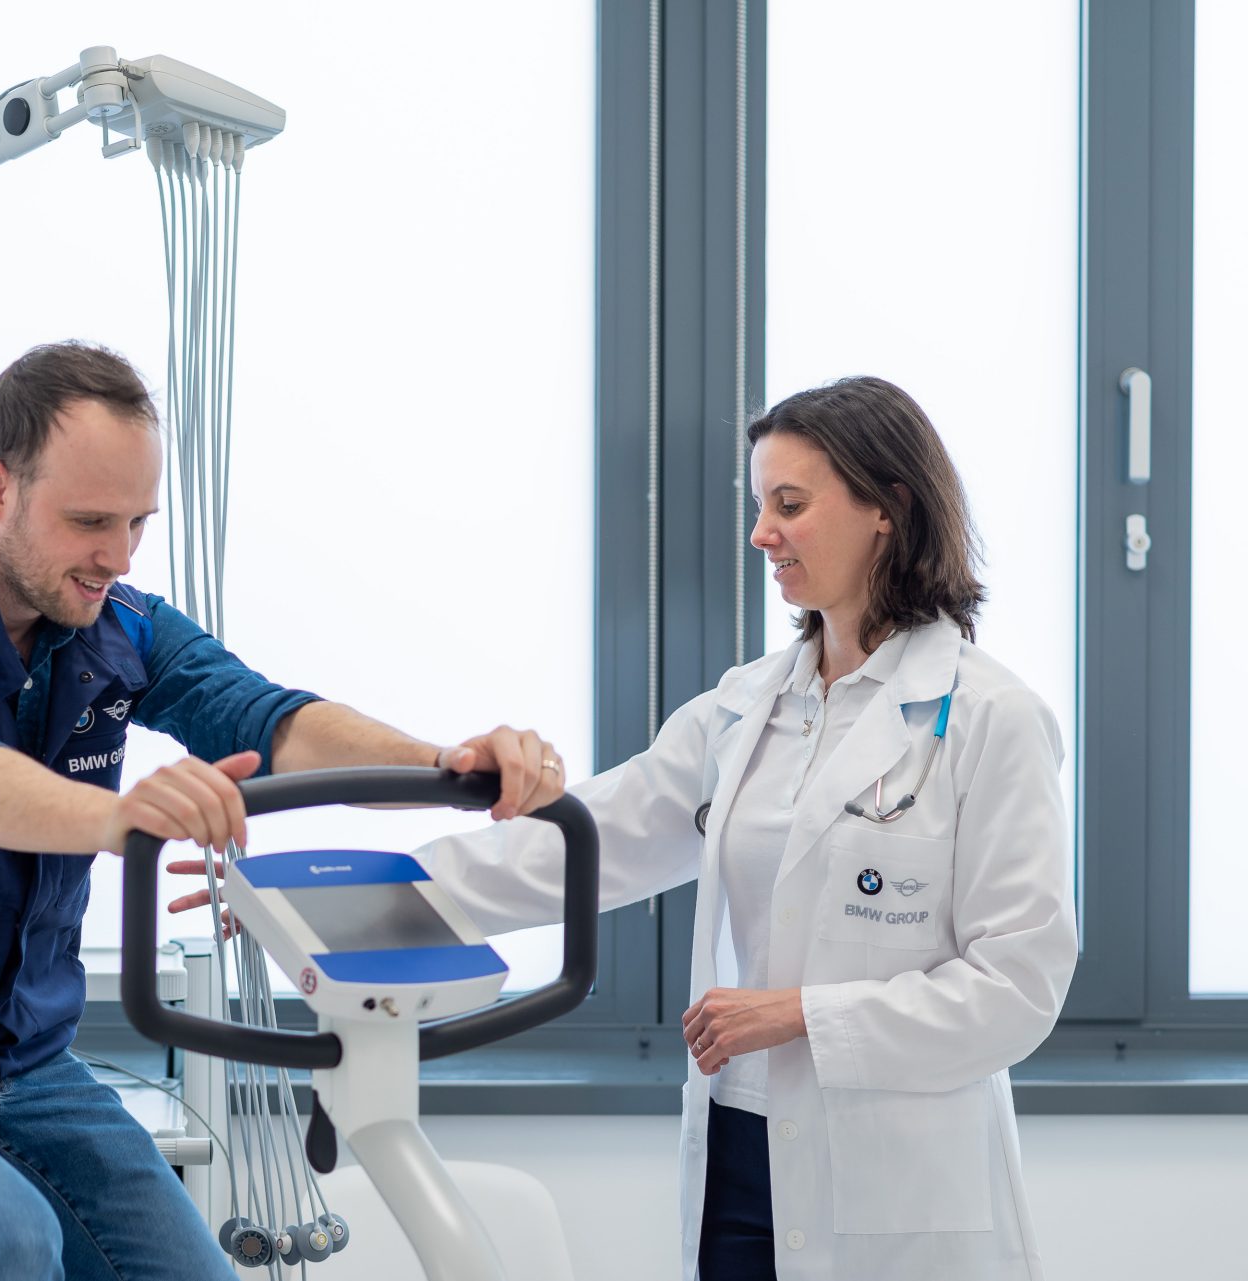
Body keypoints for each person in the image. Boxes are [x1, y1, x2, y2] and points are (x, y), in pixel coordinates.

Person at [0, 340, 567, 1281]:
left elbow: (270, 717)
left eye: (136, 523)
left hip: (18, 1059)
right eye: (88, 522)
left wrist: (444, 760)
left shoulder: (117, 623)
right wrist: (115, 818)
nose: (115, 557)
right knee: (2, 1238)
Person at [417, 376, 1076, 1280]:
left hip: (898, 1182)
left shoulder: (991, 717)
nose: (762, 532)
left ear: (888, 508)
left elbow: (1018, 989)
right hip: (740, 1153)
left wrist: (803, 1015)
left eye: (790, 504)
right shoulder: (745, 708)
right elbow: (581, 845)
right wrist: (350, 896)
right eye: (760, 504)